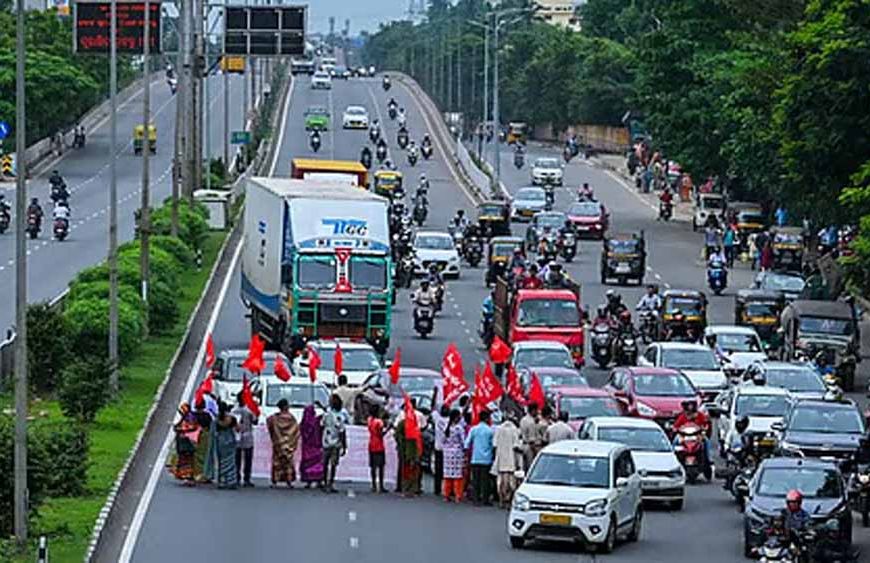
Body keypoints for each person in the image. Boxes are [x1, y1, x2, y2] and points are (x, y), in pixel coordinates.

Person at [266, 398, 300, 488]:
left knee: (277, 463)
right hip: (289, 443)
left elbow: (269, 424)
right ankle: (289, 481)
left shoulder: (274, 418)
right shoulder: (291, 418)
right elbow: (296, 430)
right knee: (288, 463)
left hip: (278, 443)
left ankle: (275, 481)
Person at [204, 401, 239, 489]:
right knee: (231, 462)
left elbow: (213, 432)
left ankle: (222, 481)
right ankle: (231, 481)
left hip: (220, 441)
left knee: (221, 461)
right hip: (230, 440)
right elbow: (238, 429)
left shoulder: (217, 419)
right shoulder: (231, 418)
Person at [465, 409, 495, 505]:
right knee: (485, 480)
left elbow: (466, 443)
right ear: (486, 419)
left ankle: (476, 499)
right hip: (486, 459)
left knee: (475, 480)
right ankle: (485, 499)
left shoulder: (474, 429)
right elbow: (493, 445)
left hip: (475, 458)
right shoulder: (490, 431)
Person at [321, 394, 349, 493]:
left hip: (326, 442)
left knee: (325, 463)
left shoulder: (326, 414)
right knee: (333, 464)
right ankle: (330, 483)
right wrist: (344, 445)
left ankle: (325, 482)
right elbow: (342, 432)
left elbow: (321, 425)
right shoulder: (340, 417)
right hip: (336, 443)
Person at [493, 415, 521, 508]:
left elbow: (494, 445)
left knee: (500, 481)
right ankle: (508, 501)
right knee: (511, 482)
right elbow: (516, 446)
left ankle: (501, 501)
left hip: (500, 459)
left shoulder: (498, 429)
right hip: (511, 460)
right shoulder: (514, 430)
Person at [231, 392, 258, 487]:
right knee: (248, 459)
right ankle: (246, 479)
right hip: (247, 436)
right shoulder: (249, 411)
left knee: (237, 459)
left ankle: (237, 477)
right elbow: (255, 421)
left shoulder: (233, 411)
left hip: (237, 436)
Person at [169, 403, 200, 485]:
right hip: (183, 443)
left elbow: (191, 427)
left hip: (187, 443)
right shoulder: (184, 418)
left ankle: (189, 478)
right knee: (185, 461)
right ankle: (187, 477)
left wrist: (181, 430)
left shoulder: (190, 418)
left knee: (188, 460)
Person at [441, 409, 466, 503]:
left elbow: (443, 441)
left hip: (447, 454)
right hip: (457, 453)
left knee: (447, 475)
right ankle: (457, 495)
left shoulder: (446, 427)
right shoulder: (459, 428)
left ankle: (446, 495)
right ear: (456, 417)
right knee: (458, 476)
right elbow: (463, 441)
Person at [299, 405, 325, 488]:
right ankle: (319, 480)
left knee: (307, 464)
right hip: (316, 445)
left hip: (307, 447)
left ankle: (308, 481)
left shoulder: (303, 423)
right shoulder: (316, 421)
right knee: (318, 464)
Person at [366, 404, 387, 493]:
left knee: (373, 466)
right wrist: (388, 429)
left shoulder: (369, 420)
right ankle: (381, 486)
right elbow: (380, 434)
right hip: (379, 445)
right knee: (381, 466)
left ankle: (374, 485)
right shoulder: (379, 422)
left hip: (371, 443)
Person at [519, 404, 544, 470]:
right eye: (536, 410)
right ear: (532, 410)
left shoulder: (523, 419)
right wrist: (536, 453)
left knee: (524, 466)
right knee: (531, 467)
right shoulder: (531, 422)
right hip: (530, 448)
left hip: (523, 445)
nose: (537, 412)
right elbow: (531, 439)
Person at [432, 404, 449, 496]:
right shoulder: (439, 418)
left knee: (441, 470)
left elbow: (433, 408)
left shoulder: (438, 418)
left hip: (443, 448)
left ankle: (440, 489)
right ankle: (440, 489)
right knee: (441, 470)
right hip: (443, 448)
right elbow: (433, 407)